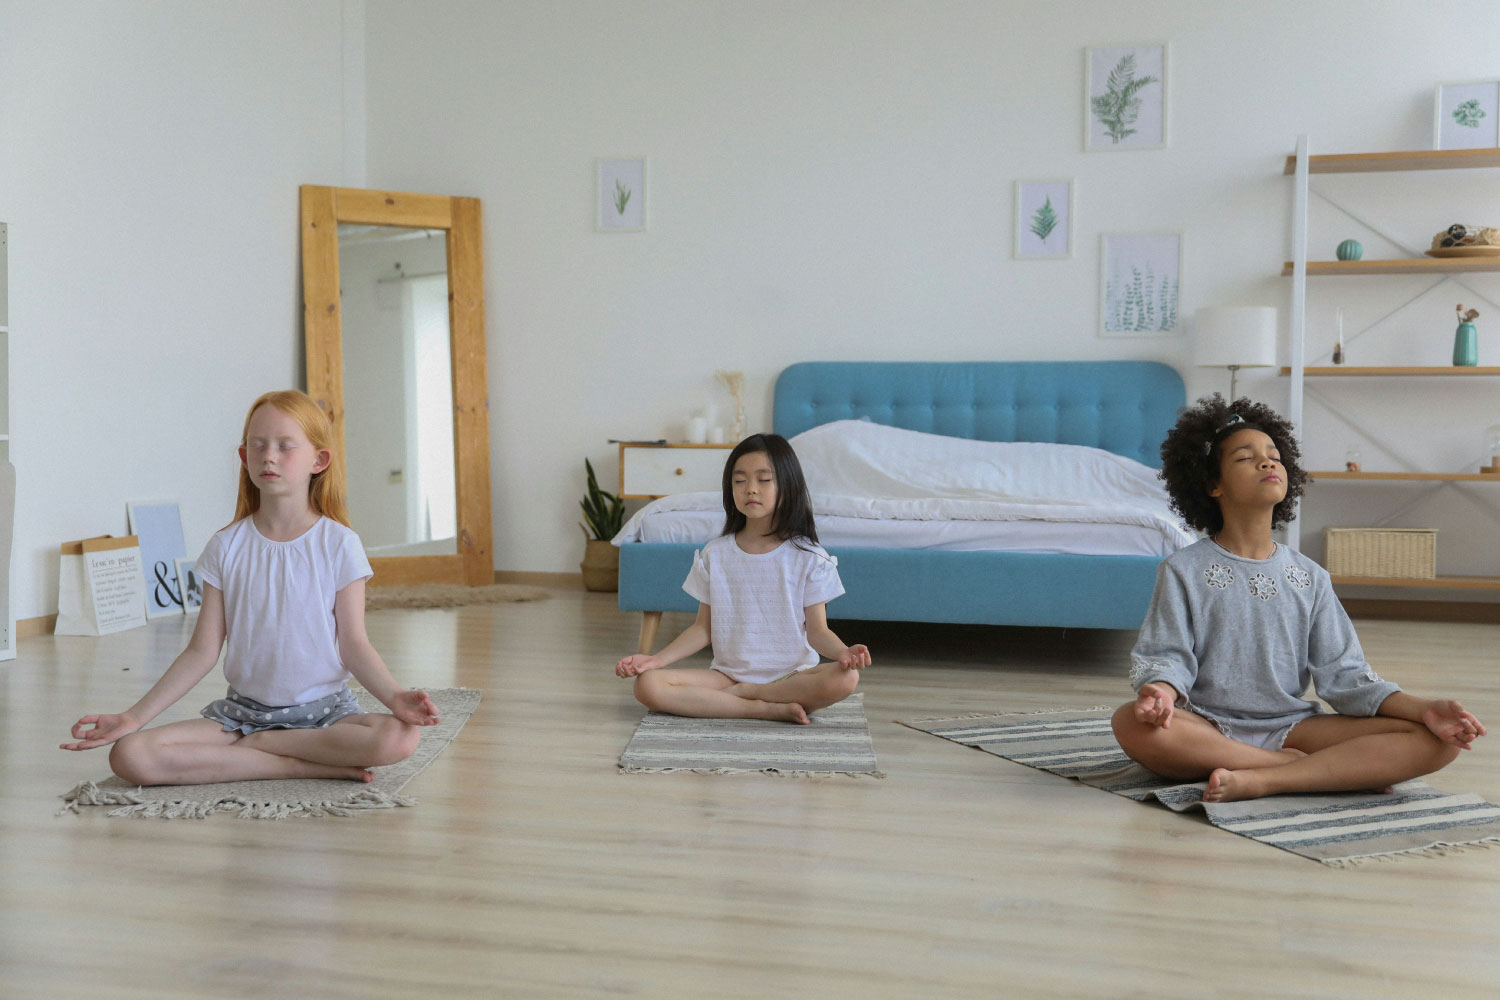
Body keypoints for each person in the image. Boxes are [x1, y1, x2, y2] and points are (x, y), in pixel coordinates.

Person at [1113, 395, 1485, 803]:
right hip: (1205, 726)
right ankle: (1312, 772)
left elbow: (1346, 677)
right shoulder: (1182, 569)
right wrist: (1162, 694)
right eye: (1245, 457)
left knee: (1439, 741)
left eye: (1274, 455)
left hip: (1295, 728)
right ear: (1212, 485)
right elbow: (1168, 655)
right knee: (1130, 723)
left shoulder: (1310, 577)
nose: (1267, 462)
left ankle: (1264, 779)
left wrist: (1425, 709)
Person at [61, 390, 439, 785]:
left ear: (319, 460)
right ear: (244, 457)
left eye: (284, 446)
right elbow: (201, 651)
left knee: (398, 738)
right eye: (257, 446)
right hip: (242, 718)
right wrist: (133, 717)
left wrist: (395, 697)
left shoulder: (339, 544)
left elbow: (354, 645)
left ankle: (258, 753)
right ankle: (295, 765)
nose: (268, 456)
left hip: (326, 717)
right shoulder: (226, 546)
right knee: (130, 754)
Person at [615, 433, 870, 724]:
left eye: (764, 480)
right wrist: (656, 660)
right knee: (647, 685)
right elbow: (703, 629)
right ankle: (760, 707)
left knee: (846, 678)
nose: (751, 489)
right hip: (727, 677)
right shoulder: (716, 553)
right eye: (740, 481)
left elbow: (817, 632)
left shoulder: (810, 556)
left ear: (788, 486)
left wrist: (843, 652)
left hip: (793, 677)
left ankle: (751, 695)